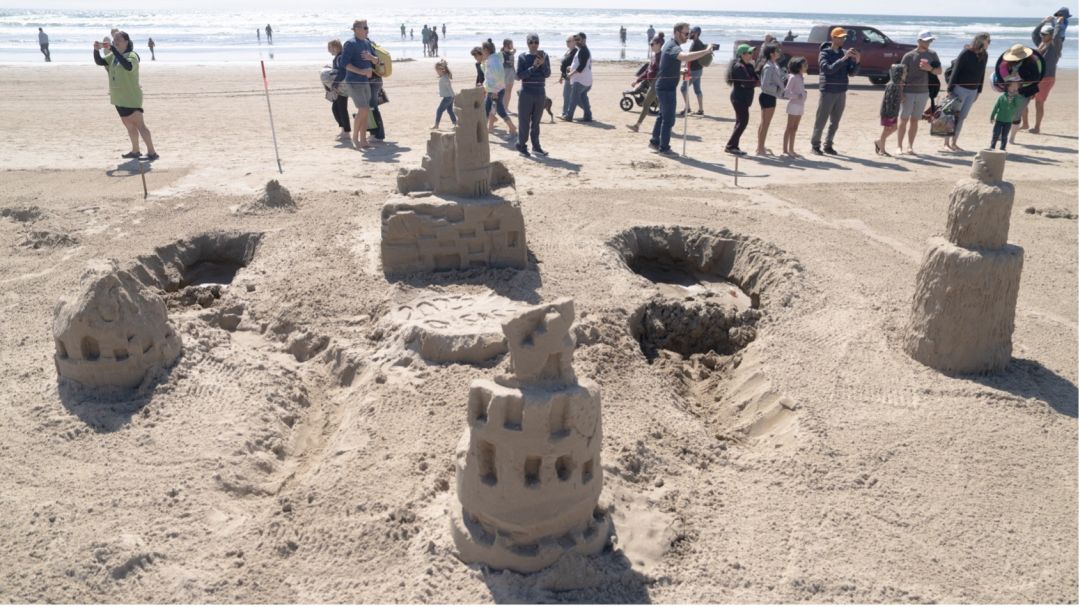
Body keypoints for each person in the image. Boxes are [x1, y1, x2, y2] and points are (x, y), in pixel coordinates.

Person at [93, 31, 158, 161]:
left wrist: (113, 50)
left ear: (126, 42)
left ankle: (152, 152)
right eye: (114, 39)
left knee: (140, 125)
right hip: (118, 97)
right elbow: (100, 62)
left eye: (119, 39)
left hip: (131, 97)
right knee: (129, 125)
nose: (115, 41)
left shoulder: (132, 55)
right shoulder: (113, 56)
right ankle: (135, 151)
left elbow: (127, 66)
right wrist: (96, 50)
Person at [650, 22, 713, 155]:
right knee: (669, 119)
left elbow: (671, 64)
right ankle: (664, 148)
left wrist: (682, 71)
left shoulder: (672, 45)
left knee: (662, 115)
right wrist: (706, 51)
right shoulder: (673, 46)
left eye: (689, 33)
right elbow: (684, 57)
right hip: (666, 88)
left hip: (666, 86)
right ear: (677, 33)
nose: (688, 36)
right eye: (686, 33)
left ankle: (654, 141)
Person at [810, 27, 860, 155]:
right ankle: (815, 145)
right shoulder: (824, 53)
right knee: (821, 119)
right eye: (841, 37)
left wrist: (857, 61)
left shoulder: (844, 52)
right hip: (827, 90)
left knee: (835, 121)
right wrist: (844, 58)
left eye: (844, 37)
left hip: (841, 91)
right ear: (833, 38)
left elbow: (852, 73)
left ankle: (828, 145)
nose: (843, 39)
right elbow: (828, 69)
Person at [942, 32, 990, 151]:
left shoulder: (985, 55)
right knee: (952, 116)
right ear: (980, 41)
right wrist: (950, 89)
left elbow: (982, 73)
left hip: (972, 91)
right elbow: (956, 71)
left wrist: (979, 91)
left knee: (962, 117)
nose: (989, 43)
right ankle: (946, 144)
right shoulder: (966, 53)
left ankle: (954, 143)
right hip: (959, 89)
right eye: (988, 41)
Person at [895, 31, 941, 155]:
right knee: (903, 119)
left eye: (930, 40)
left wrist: (930, 69)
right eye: (926, 40)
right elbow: (901, 75)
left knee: (915, 120)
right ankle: (899, 146)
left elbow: (939, 71)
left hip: (924, 92)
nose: (928, 43)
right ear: (919, 41)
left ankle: (910, 146)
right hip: (908, 91)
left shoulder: (933, 54)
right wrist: (900, 92)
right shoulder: (909, 56)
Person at [1024, 14, 1065, 133]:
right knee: (1023, 98)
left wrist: (1058, 23)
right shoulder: (1041, 43)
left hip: (1047, 78)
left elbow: (1057, 36)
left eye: (1044, 34)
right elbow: (1034, 33)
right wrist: (1044, 21)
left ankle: (1037, 127)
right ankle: (1025, 124)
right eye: (1042, 34)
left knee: (1039, 102)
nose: (1041, 36)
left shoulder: (1054, 46)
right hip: (1037, 77)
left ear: (1051, 35)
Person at [342, 19, 377, 150]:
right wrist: (362, 71)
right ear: (356, 29)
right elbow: (344, 64)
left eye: (367, 27)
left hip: (365, 82)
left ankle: (363, 140)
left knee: (366, 110)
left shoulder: (367, 42)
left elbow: (376, 60)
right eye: (365, 27)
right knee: (362, 109)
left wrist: (372, 59)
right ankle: (355, 138)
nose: (367, 30)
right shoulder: (350, 44)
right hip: (354, 81)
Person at [999, 43, 1043, 145]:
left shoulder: (1031, 63)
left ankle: (1011, 138)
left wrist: (1021, 81)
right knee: (1006, 112)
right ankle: (1002, 135)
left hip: (1025, 92)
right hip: (1011, 90)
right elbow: (1003, 76)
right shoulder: (1007, 63)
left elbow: (1036, 78)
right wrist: (1010, 81)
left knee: (1016, 115)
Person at [516, 33, 551, 156]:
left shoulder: (544, 56)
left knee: (536, 122)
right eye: (531, 42)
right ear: (527, 43)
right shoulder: (522, 57)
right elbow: (520, 76)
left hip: (540, 92)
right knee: (524, 121)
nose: (534, 44)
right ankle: (521, 146)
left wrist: (543, 64)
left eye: (536, 42)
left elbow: (547, 74)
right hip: (526, 91)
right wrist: (534, 66)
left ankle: (536, 147)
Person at [725, 44, 758, 155]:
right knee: (743, 122)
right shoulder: (738, 67)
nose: (751, 54)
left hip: (745, 98)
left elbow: (756, 79)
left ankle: (734, 146)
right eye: (749, 53)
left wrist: (752, 81)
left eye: (751, 52)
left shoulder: (749, 66)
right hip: (738, 98)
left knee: (740, 122)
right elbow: (748, 82)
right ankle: (730, 146)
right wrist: (752, 81)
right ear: (742, 54)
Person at [481, 39, 517, 136]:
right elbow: (488, 75)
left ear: (487, 49)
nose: (481, 51)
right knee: (490, 109)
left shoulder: (494, 60)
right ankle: (487, 129)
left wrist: (496, 90)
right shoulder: (492, 59)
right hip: (493, 89)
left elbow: (500, 76)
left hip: (495, 90)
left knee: (496, 109)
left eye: (482, 49)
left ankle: (512, 127)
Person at [628, 35, 663, 132]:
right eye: (650, 44)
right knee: (659, 104)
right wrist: (637, 80)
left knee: (646, 103)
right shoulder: (654, 56)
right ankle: (666, 122)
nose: (651, 46)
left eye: (652, 44)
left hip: (656, 84)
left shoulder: (661, 57)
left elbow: (662, 72)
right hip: (651, 83)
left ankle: (637, 126)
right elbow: (647, 71)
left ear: (659, 45)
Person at [756, 43, 784, 155]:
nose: (778, 52)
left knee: (765, 123)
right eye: (776, 51)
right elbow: (765, 85)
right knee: (765, 123)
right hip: (767, 96)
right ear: (772, 54)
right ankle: (760, 148)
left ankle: (760, 146)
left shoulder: (774, 64)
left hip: (770, 96)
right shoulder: (768, 66)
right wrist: (778, 89)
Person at [560, 33, 593, 122]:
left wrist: (570, 74)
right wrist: (570, 68)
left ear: (584, 40)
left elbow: (581, 68)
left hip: (580, 80)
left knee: (573, 99)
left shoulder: (583, 50)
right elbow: (580, 64)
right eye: (576, 40)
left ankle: (568, 116)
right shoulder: (582, 50)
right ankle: (588, 116)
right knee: (583, 98)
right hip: (586, 80)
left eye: (578, 40)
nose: (577, 41)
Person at [876, 64, 905, 156]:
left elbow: (896, 98)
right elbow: (888, 101)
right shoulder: (892, 85)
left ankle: (879, 141)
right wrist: (890, 115)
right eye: (904, 72)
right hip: (888, 112)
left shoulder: (899, 84)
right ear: (899, 73)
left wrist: (901, 97)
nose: (906, 74)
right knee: (887, 129)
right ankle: (882, 149)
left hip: (894, 111)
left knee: (894, 128)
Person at [782, 56, 807, 158]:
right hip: (793, 105)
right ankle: (785, 150)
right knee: (789, 127)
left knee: (795, 128)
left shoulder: (801, 77)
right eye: (804, 64)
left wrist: (804, 94)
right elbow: (786, 93)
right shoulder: (792, 77)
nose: (806, 66)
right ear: (798, 66)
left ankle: (791, 149)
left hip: (800, 105)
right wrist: (798, 96)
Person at [679, 27, 707, 116]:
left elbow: (690, 57)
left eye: (692, 32)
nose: (690, 33)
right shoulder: (698, 43)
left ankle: (688, 108)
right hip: (697, 70)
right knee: (697, 90)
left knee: (683, 88)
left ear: (696, 33)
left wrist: (685, 66)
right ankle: (701, 110)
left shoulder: (696, 44)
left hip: (693, 71)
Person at [990, 76, 1024, 150]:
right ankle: (992, 147)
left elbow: (1018, 105)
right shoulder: (1002, 97)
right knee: (995, 134)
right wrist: (992, 116)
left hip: (1008, 121)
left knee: (1004, 136)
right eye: (1012, 86)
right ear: (1007, 87)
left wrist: (1017, 96)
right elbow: (996, 107)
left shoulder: (1016, 98)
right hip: (999, 119)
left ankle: (1002, 148)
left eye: (1016, 86)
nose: (1014, 88)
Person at [326, 40, 350, 140]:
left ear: (335, 47)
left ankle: (346, 132)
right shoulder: (338, 57)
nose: (328, 50)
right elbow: (338, 70)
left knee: (341, 108)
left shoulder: (340, 57)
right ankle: (343, 129)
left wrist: (335, 84)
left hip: (342, 87)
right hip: (340, 85)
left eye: (329, 48)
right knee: (336, 108)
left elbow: (343, 72)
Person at [557, 36, 578, 118]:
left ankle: (565, 113)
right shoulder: (568, 51)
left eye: (569, 41)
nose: (567, 42)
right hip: (566, 76)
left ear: (574, 42)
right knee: (567, 95)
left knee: (567, 95)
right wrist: (561, 77)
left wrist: (569, 74)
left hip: (571, 77)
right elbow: (564, 65)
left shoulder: (575, 52)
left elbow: (575, 65)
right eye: (566, 41)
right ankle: (565, 112)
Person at [433, 59, 457, 129]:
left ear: (441, 70)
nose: (437, 72)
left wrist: (453, 96)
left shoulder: (445, 79)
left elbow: (449, 88)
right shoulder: (444, 77)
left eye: (437, 70)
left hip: (448, 98)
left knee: (439, 110)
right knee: (450, 111)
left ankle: (436, 125)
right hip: (449, 97)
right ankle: (455, 124)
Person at [501, 39, 517, 112]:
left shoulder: (510, 52)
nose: (512, 45)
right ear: (507, 44)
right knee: (505, 90)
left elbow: (513, 51)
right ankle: (503, 108)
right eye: (511, 44)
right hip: (505, 72)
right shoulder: (502, 53)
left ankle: (506, 107)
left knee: (509, 90)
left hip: (511, 71)